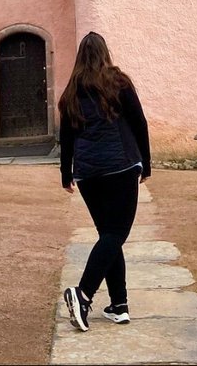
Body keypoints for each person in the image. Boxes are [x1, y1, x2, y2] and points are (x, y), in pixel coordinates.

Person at [59, 31, 151, 332]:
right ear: (105, 53)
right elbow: (139, 122)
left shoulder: (71, 91)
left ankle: (119, 304)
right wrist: (146, 164)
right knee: (115, 234)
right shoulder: (118, 82)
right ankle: (83, 294)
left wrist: (66, 173)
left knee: (108, 235)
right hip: (121, 167)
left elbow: (66, 137)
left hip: (88, 173)